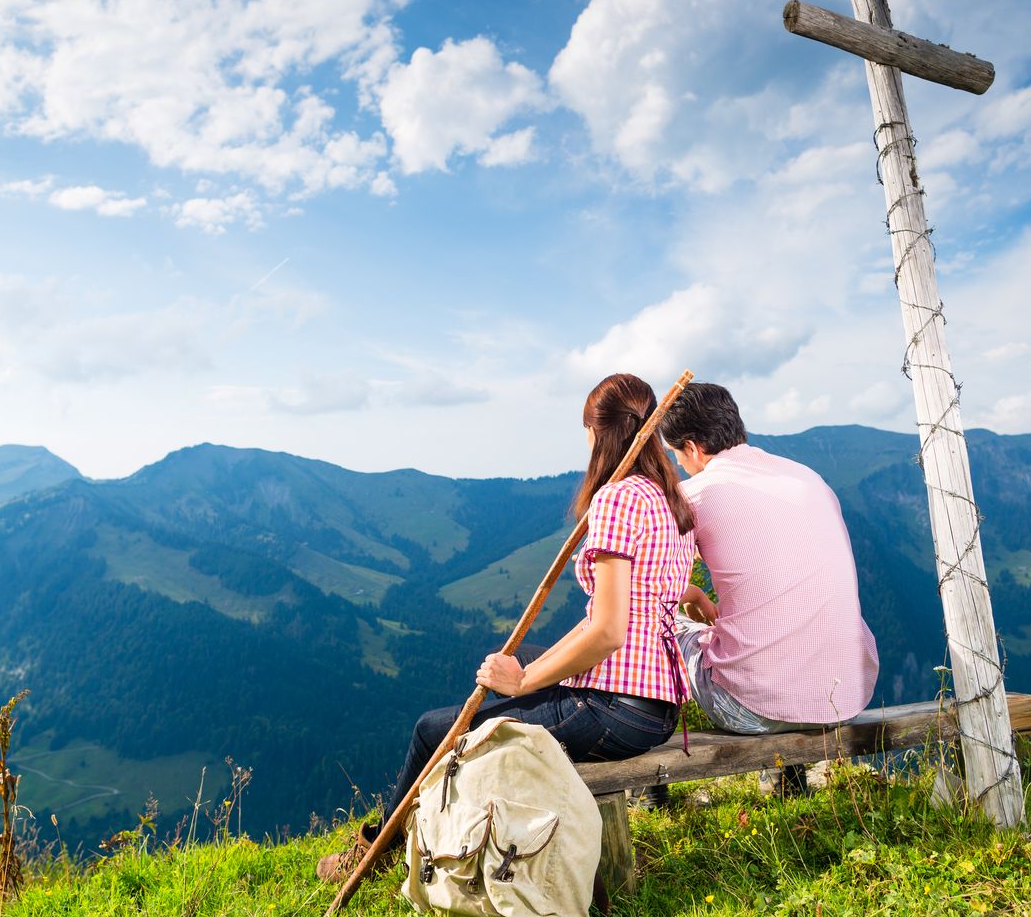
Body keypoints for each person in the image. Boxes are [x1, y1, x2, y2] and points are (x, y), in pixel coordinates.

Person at [319, 373, 696, 879]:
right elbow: (607, 621)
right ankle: (410, 834)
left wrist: (523, 680)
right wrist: (535, 669)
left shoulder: (617, 499)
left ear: (598, 433)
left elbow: (607, 633)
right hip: (659, 707)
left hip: (615, 711)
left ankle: (375, 854)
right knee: (514, 677)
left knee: (433, 729)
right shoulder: (668, 501)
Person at [660, 382, 879, 743]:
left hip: (749, 709)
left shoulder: (695, 495)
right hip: (846, 698)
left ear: (694, 448)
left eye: (676, 455)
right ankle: (787, 779)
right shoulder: (809, 478)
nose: (680, 467)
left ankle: (653, 780)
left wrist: (693, 595)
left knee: (658, 623)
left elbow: (647, 586)